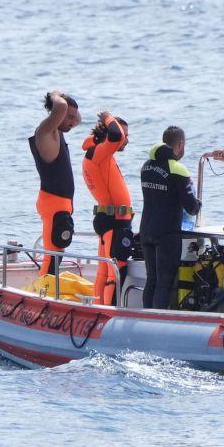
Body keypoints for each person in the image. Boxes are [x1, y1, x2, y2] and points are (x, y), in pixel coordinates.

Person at [139, 126, 201, 309]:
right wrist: (199, 203)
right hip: (167, 233)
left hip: (146, 230)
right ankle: (156, 323)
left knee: (151, 279)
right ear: (180, 144)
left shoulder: (146, 165)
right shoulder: (178, 169)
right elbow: (191, 207)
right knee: (164, 283)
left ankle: (145, 319)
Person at [82, 112, 133, 305]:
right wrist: (108, 117)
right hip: (114, 221)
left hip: (110, 220)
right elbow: (116, 136)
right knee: (116, 270)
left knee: (105, 270)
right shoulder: (99, 153)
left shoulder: (99, 153)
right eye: (125, 135)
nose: (126, 140)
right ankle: (109, 312)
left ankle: (99, 307)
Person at [30, 91, 80, 276]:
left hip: (60, 204)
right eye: (70, 118)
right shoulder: (45, 133)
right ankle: (43, 291)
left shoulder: (58, 131)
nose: (74, 122)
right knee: (53, 256)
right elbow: (60, 107)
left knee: (57, 253)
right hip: (53, 203)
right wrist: (55, 95)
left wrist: (66, 100)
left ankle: (46, 286)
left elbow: (73, 114)